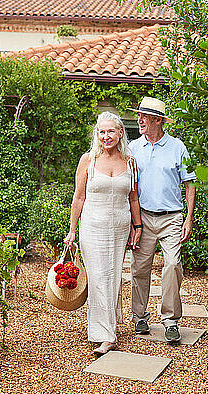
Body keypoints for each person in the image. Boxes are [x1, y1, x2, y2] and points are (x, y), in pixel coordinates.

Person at [64, 111, 142, 355]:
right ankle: (105, 335)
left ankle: (109, 320)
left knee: (113, 275)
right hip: (92, 226)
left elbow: (133, 197)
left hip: (119, 227)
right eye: (102, 131)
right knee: (98, 277)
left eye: (111, 131)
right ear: (96, 135)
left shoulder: (130, 161)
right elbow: (78, 198)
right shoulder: (88, 160)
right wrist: (71, 231)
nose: (106, 136)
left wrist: (137, 226)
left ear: (120, 133)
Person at [127, 97, 196, 343]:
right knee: (139, 269)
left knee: (172, 265)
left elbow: (189, 184)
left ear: (158, 120)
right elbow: (129, 188)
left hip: (172, 218)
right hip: (143, 218)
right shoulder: (133, 148)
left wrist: (188, 218)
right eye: (139, 116)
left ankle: (170, 320)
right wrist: (132, 222)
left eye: (144, 117)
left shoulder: (178, 147)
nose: (139, 120)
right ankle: (140, 317)